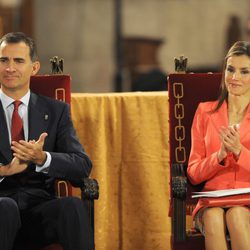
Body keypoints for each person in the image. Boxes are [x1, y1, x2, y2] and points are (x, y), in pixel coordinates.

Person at [0, 32, 94, 250]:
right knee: (5, 208)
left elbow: (82, 165)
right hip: (1, 210)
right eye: (3, 60)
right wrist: (5, 171)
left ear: (34, 68)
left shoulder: (55, 111)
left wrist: (43, 158)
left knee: (71, 206)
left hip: (38, 213)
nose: (9, 68)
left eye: (18, 61)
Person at [187, 41, 250, 250]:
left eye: (244, 72)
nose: (234, 77)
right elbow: (194, 173)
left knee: (237, 215)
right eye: (230, 69)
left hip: (247, 201)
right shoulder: (205, 112)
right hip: (211, 202)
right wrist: (219, 156)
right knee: (213, 217)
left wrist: (239, 151)